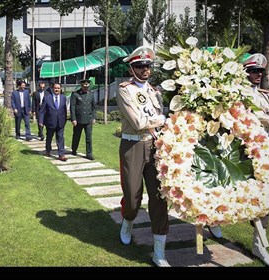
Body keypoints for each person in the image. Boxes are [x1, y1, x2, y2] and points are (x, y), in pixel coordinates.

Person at [209, 53, 269, 267]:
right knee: (224, 189)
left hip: (263, 154)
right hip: (238, 153)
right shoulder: (234, 94)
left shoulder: (266, 96)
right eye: (253, 70)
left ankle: (259, 246)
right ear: (244, 72)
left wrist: (255, 115)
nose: (258, 75)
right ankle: (213, 219)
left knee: (264, 198)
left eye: (260, 71)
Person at [117, 46, 170, 267]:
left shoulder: (155, 92)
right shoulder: (124, 90)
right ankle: (128, 221)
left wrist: (162, 121)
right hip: (132, 146)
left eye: (147, 65)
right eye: (140, 65)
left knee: (159, 197)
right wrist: (161, 120)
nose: (145, 69)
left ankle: (159, 253)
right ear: (132, 68)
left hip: (156, 147)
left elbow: (161, 116)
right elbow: (138, 123)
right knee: (132, 196)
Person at [39, 83, 68, 162]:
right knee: (49, 137)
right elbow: (42, 111)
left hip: (60, 122)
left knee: (60, 138)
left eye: (58, 88)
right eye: (55, 88)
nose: (57, 90)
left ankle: (61, 154)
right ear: (52, 89)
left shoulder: (63, 98)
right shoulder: (47, 98)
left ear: (60, 89)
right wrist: (41, 121)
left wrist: (65, 120)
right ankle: (48, 150)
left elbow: (64, 110)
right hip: (50, 122)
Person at [70, 78, 96, 160]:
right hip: (78, 120)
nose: (86, 87)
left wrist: (93, 117)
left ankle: (89, 154)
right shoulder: (75, 94)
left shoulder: (91, 95)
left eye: (87, 86)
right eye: (84, 86)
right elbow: (72, 107)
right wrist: (73, 119)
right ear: (81, 86)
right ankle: (74, 149)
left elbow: (93, 107)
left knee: (89, 138)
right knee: (76, 136)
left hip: (88, 120)